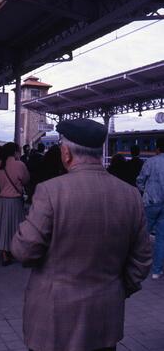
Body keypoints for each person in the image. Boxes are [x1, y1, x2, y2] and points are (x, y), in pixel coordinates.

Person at [11, 118, 151, 351]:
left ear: (66, 153)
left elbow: (24, 251)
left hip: (54, 319)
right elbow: (142, 258)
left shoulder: (50, 191)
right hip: (104, 318)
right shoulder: (130, 195)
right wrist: (117, 289)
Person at [137, 137, 164, 279]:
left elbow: (140, 180)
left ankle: (139, 266)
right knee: (161, 238)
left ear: (157, 149)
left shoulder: (151, 162)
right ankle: (157, 271)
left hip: (152, 202)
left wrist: (145, 191)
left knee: (143, 235)